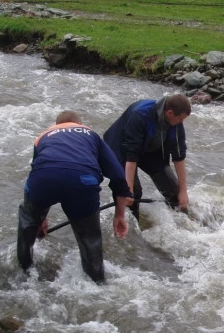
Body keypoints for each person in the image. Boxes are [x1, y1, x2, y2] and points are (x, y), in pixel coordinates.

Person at [17, 110, 132, 284]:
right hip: (83, 182)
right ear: (80, 124)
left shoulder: (43, 136)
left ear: (56, 126)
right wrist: (120, 214)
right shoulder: (91, 135)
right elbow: (117, 174)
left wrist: (40, 216)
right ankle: (97, 284)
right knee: (90, 239)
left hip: (43, 180)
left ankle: (24, 273)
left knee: (27, 221)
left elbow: (38, 171)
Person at [103, 94, 191, 219]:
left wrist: (183, 192)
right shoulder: (139, 115)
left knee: (175, 193)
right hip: (121, 149)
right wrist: (128, 190)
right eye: (181, 119)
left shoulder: (176, 124)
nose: (182, 123)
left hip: (150, 149)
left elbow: (179, 157)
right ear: (170, 113)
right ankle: (130, 227)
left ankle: (185, 226)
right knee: (133, 194)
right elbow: (131, 156)